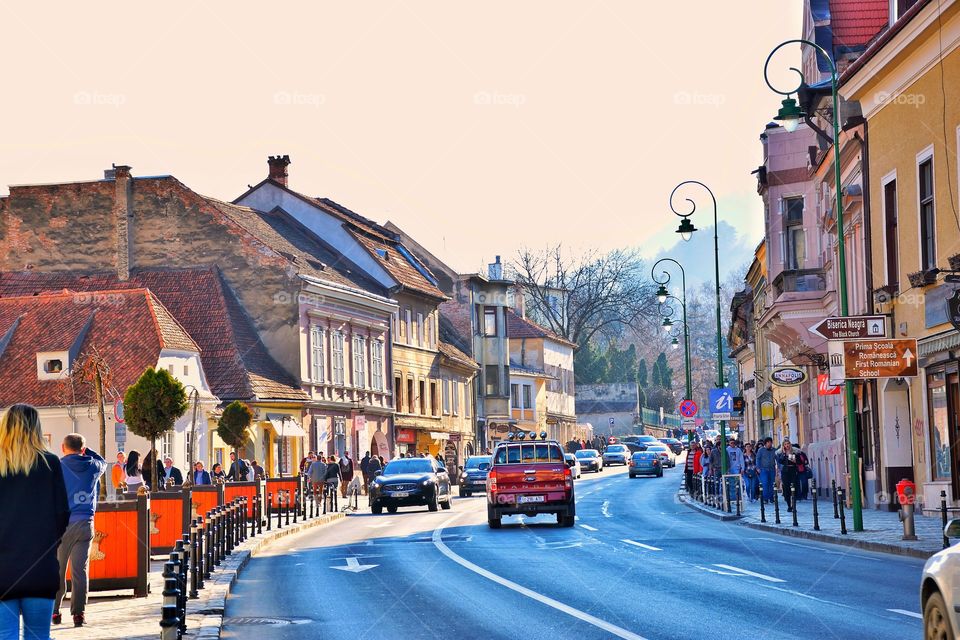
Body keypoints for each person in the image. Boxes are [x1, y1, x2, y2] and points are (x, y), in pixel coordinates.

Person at [0, 404, 70, 639]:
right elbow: (62, 513)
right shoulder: (50, 463)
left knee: (4, 634)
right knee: (39, 635)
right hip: (40, 565)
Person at [54, 433, 107, 628]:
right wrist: (87, 451)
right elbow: (103, 462)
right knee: (80, 571)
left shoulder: (56, 467)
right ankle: (78, 614)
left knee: (57, 570)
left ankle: (54, 612)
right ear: (83, 449)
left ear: (62, 447)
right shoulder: (93, 466)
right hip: (85, 523)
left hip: (61, 526)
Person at [777, 440, 800, 511]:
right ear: (783, 445)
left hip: (793, 470)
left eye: (788, 444)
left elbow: (798, 461)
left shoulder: (795, 452)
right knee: (787, 488)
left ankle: (794, 505)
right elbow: (780, 461)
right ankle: (789, 505)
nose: (787, 445)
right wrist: (784, 454)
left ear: (790, 444)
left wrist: (794, 459)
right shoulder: (781, 453)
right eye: (785, 444)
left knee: (794, 487)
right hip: (785, 471)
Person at [756, 437, 777, 504]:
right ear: (765, 443)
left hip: (772, 469)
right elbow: (758, 459)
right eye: (768, 443)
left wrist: (779, 468)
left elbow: (777, 459)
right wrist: (758, 468)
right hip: (763, 469)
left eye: (770, 442)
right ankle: (765, 498)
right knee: (765, 484)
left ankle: (771, 497)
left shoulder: (774, 450)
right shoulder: (761, 450)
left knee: (771, 484)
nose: (769, 444)